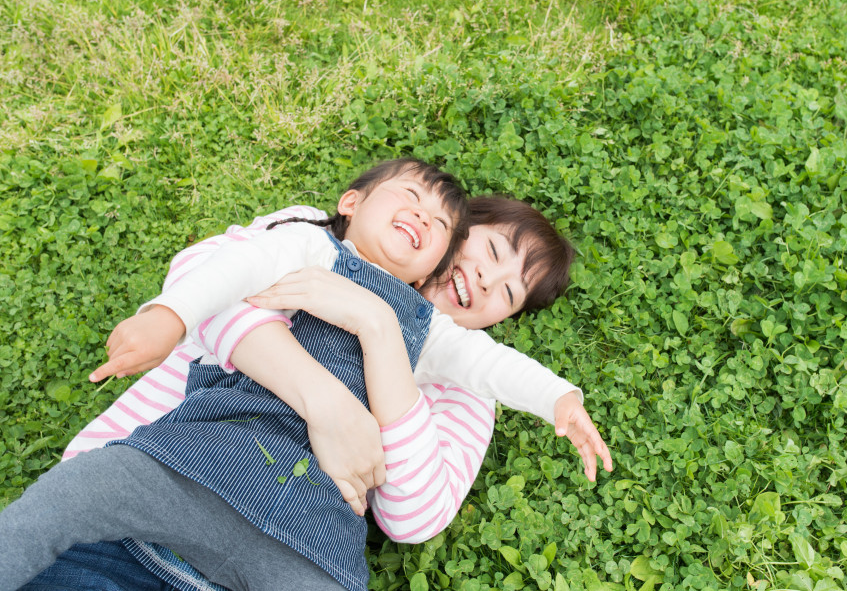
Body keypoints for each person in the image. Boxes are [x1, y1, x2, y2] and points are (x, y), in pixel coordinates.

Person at [0, 159, 610, 591]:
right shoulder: (311, 238)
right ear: (355, 204)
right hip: (140, 509)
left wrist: (557, 395)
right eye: (491, 255)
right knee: (58, 513)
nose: (485, 282)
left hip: (289, 540)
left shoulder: (457, 371)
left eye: (509, 293)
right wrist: (323, 400)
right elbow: (213, 274)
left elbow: (416, 515)